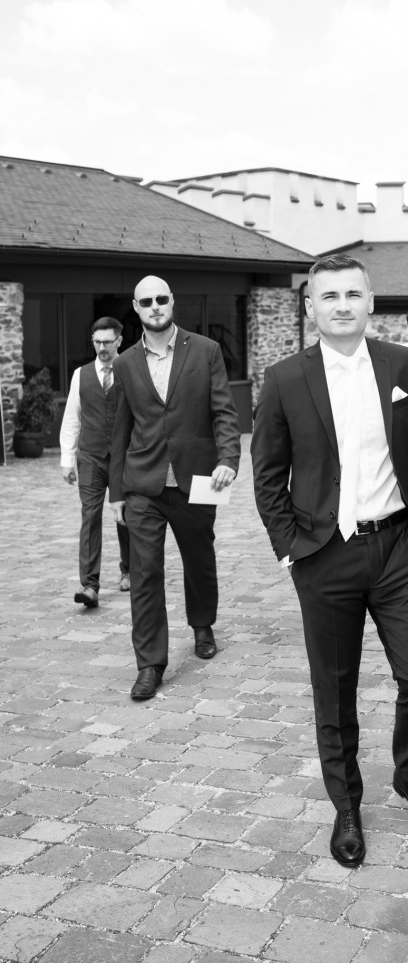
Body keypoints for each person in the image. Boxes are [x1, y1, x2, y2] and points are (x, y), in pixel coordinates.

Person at [251, 254, 408, 868]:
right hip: (324, 555)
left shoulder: (402, 365)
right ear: (311, 306)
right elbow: (268, 476)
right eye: (329, 296)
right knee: (334, 691)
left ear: (370, 302)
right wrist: (291, 549)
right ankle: (346, 805)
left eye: (353, 294)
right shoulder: (284, 379)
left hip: (398, 549)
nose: (342, 305)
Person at [109, 276, 241, 700]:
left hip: (199, 478)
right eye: (146, 301)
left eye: (161, 299)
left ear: (172, 302)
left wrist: (228, 460)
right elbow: (120, 430)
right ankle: (150, 664)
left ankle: (203, 625)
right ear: (136, 307)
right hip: (143, 484)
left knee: (199, 559)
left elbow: (224, 411)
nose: (155, 306)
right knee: (144, 572)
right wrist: (116, 493)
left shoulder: (206, 350)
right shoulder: (125, 363)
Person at [59, 316, 130, 608]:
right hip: (90, 457)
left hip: (124, 457)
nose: (102, 348)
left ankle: (129, 570)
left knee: (125, 515)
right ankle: (89, 585)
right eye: (97, 342)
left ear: (119, 341)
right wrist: (67, 459)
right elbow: (72, 417)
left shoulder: (131, 370)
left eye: (107, 342)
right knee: (90, 517)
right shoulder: (81, 375)